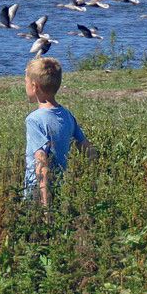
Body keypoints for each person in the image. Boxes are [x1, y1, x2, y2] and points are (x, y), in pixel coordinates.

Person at [24, 55, 93, 206]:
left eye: (26, 82)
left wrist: (45, 204)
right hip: (61, 187)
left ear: (34, 86)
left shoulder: (34, 120)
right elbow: (86, 147)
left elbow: (41, 160)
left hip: (37, 192)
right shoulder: (67, 115)